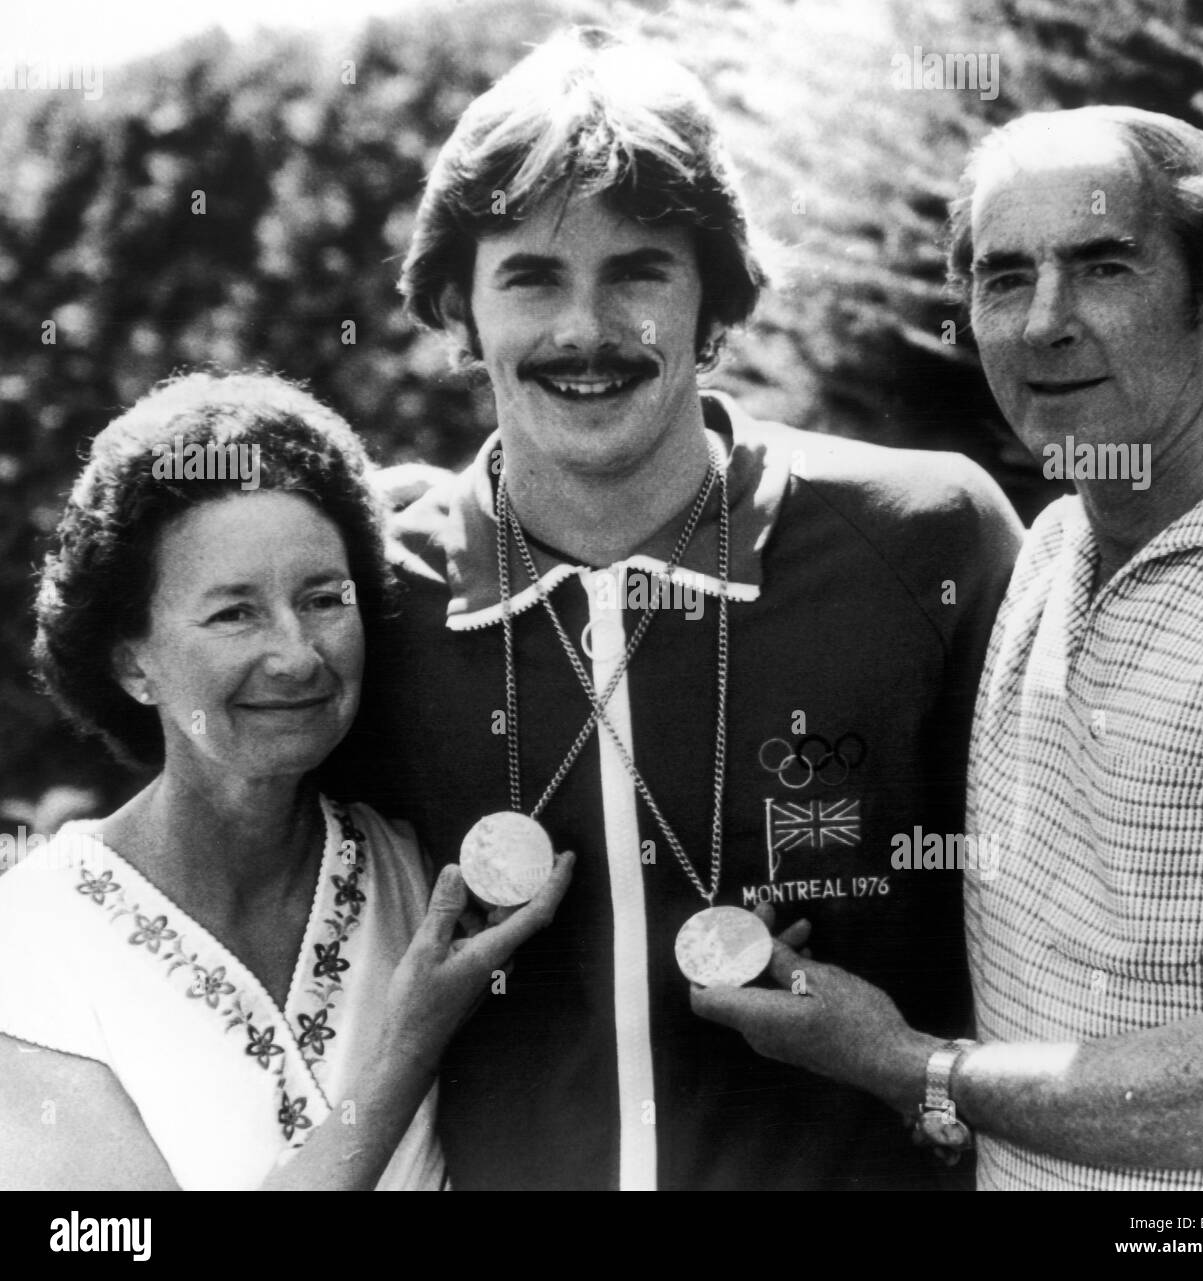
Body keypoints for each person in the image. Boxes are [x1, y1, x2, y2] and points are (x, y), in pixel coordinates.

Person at [328, 27, 1023, 1190]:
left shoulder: (925, 537)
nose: (583, 330)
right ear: (458, 306)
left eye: (638, 271)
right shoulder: (373, 599)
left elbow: (1072, 924)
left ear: (716, 299)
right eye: (531, 276)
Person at [693, 106, 1203, 1191]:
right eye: (1004, 278)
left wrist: (906, 1064)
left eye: (1103, 267)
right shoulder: (1058, 536)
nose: (1044, 323)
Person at [0, 371, 571, 1191]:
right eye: (235, 611)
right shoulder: (32, 943)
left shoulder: (419, 865)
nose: (299, 655)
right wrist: (406, 1050)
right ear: (132, 661)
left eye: (323, 599)